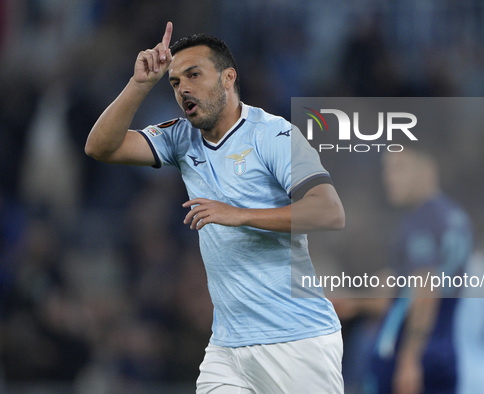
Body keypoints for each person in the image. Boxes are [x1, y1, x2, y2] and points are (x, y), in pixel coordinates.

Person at [85, 22, 345, 393]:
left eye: (194, 75)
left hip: (297, 339)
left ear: (228, 78)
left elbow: (329, 212)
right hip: (227, 347)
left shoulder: (274, 134)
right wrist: (140, 85)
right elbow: (101, 147)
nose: (184, 89)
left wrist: (239, 215)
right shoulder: (181, 136)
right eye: (175, 83)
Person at [365, 146, 473, 394]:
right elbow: (405, 291)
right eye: (387, 169)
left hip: (409, 357)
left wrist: (409, 359)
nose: (389, 178)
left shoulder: (421, 220)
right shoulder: (457, 217)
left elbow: (425, 288)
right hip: (444, 352)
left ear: (427, 170)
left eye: (400, 168)